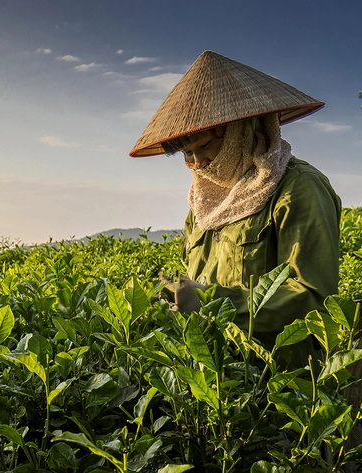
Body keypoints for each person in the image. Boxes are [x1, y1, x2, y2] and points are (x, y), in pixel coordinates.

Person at [130, 51, 341, 369]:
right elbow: (197, 277)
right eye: (187, 153)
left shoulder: (298, 188)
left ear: (243, 130)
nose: (197, 163)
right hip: (214, 377)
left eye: (203, 146)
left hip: (275, 387)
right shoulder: (204, 201)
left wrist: (212, 301)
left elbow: (313, 296)